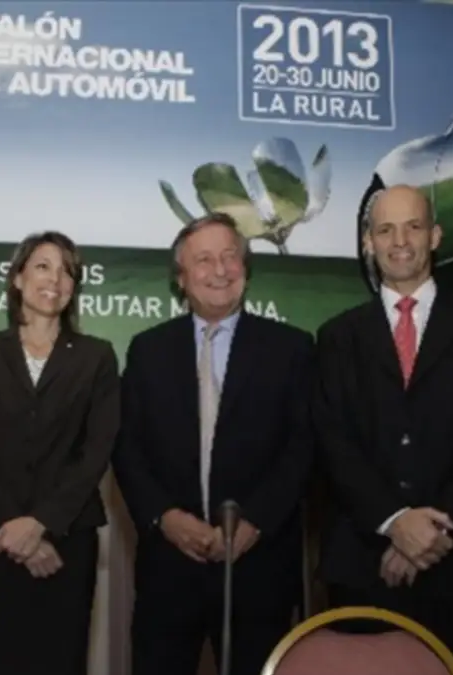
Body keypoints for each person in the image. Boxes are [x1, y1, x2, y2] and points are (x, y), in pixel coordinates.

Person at [313, 185, 453, 674]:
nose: (399, 241)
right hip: (365, 569)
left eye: (413, 227)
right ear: (368, 242)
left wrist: (428, 532)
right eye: (385, 230)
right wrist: (394, 522)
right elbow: (333, 445)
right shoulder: (337, 337)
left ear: (435, 236)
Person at [112, 213, 315, 675]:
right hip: (169, 569)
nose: (220, 270)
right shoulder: (148, 350)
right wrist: (164, 517)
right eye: (204, 260)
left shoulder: (291, 348)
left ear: (246, 269)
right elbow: (127, 446)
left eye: (230, 257)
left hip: (259, 568)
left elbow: (303, 447)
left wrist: (256, 521)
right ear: (181, 278)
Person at [0, 231, 119, 675]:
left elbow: (96, 450)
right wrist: (14, 529)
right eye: (43, 266)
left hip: (67, 540)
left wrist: (42, 524)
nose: (55, 279)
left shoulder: (96, 357)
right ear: (18, 278)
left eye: (67, 272)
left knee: (61, 661)